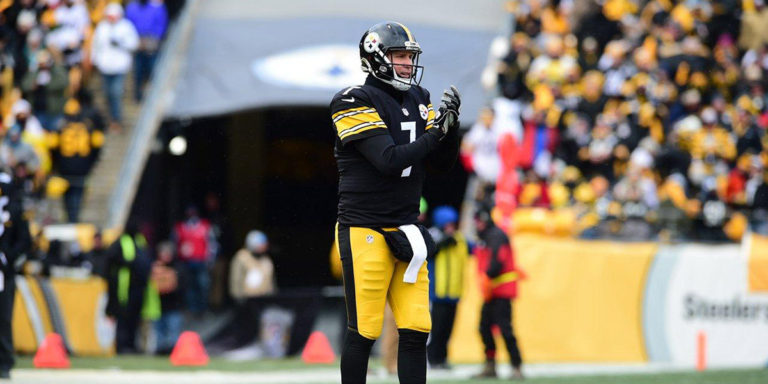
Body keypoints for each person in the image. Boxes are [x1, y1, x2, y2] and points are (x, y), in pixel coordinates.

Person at [331, 21, 461, 384]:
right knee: (365, 330)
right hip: (365, 228)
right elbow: (388, 160)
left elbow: (439, 163)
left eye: (409, 56)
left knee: (417, 328)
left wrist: (450, 131)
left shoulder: (419, 97)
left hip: (407, 227)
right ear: (376, 58)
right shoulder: (352, 99)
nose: (406, 63)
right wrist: (436, 133)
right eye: (399, 55)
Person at [473, 206, 524, 379]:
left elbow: (497, 261)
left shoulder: (496, 236)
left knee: (505, 328)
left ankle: (516, 366)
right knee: (484, 328)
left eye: (479, 221)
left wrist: (487, 276)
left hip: (501, 290)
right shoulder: (487, 237)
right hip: (492, 290)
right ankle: (490, 364)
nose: (477, 225)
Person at [426, 205, 469, 370]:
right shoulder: (434, 235)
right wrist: (443, 241)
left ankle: (442, 358)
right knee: (435, 329)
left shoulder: (458, 238)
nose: (451, 227)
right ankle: (432, 358)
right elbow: (430, 250)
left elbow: (471, 248)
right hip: (437, 292)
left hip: (453, 292)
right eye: (448, 223)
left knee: (447, 329)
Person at [0, 171, 32, 380]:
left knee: (3, 318)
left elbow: (25, 241)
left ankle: (4, 362)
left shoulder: (15, 210)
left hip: (4, 273)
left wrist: (7, 257)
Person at [91, 2, 139, 132]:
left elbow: (134, 44)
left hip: (120, 66)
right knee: (107, 93)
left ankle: (116, 119)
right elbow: (95, 45)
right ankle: (110, 118)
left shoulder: (126, 27)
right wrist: (94, 61)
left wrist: (120, 43)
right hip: (105, 66)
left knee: (116, 93)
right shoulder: (102, 27)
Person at [105, 223, 151, 354]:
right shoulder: (120, 242)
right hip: (124, 289)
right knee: (123, 320)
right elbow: (110, 261)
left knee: (134, 320)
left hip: (138, 288)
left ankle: (131, 345)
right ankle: (122, 345)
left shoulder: (140, 242)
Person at [173, 205, 217, 315]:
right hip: (186, 262)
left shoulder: (205, 226)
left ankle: (203, 308)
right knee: (189, 286)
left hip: (201, 261)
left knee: (203, 285)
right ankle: (192, 309)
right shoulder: (180, 227)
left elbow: (212, 244)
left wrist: (210, 260)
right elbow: (174, 244)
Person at [125, 0, 168, 102]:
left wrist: (154, 38)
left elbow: (161, 25)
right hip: (137, 43)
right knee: (138, 73)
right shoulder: (132, 7)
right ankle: (138, 96)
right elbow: (128, 24)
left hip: (151, 44)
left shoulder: (157, 7)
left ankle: (153, 95)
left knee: (153, 71)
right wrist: (134, 38)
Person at [151, 241, 184, 354]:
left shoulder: (178, 267)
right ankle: (160, 354)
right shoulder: (154, 268)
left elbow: (181, 286)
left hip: (174, 306)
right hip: (158, 306)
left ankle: (173, 353)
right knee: (159, 334)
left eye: (168, 253)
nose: (166, 256)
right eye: (163, 253)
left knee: (172, 334)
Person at [229, 230, 274, 301]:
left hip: (264, 300)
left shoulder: (266, 260)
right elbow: (236, 280)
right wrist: (238, 298)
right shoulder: (242, 257)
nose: (265, 246)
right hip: (247, 300)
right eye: (262, 243)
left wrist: (272, 297)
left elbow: (271, 282)